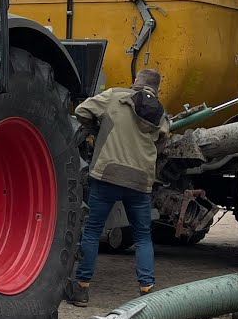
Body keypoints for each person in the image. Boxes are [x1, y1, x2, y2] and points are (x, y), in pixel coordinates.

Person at [65, 68, 170, 306]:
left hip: (107, 175)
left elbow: (82, 111)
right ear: (156, 88)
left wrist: (98, 130)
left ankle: (81, 289)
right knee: (143, 236)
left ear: (136, 82)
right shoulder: (159, 111)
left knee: (92, 231)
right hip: (140, 181)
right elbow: (164, 139)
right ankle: (147, 289)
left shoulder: (114, 96)